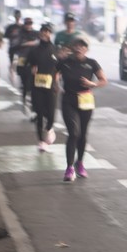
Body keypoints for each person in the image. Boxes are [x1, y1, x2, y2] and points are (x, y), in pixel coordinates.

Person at [56, 34, 107, 182]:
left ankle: (80, 163)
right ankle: (69, 167)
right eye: (77, 45)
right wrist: (56, 86)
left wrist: (93, 84)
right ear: (72, 47)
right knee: (73, 132)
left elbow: (103, 80)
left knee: (83, 134)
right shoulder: (65, 62)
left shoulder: (92, 63)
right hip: (69, 100)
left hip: (85, 100)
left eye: (82, 45)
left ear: (86, 49)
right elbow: (54, 74)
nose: (79, 48)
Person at [27, 23, 58, 152]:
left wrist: (58, 76)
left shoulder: (55, 49)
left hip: (51, 87)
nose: (45, 33)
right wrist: (32, 68)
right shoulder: (34, 50)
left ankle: (49, 128)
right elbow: (29, 64)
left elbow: (60, 66)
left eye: (47, 31)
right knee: (39, 114)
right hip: (37, 86)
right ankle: (41, 141)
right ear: (40, 33)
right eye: (43, 31)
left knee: (51, 115)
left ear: (50, 34)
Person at [16, 17, 39, 117]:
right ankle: (24, 103)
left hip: (33, 62)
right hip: (22, 61)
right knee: (24, 84)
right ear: (24, 24)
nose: (29, 25)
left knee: (33, 85)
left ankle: (33, 107)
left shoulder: (36, 33)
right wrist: (30, 43)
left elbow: (39, 42)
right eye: (27, 23)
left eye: (30, 23)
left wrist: (28, 43)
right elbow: (16, 45)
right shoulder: (20, 33)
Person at [4, 9, 22, 85]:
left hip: (20, 48)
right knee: (12, 63)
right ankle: (12, 75)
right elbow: (6, 36)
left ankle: (17, 75)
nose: (17, 17)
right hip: (12, 48)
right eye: (16, 16)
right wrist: (12, 35)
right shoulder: (10, 27)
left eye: (18, 16)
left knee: (19, 63)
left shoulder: (22, 27)